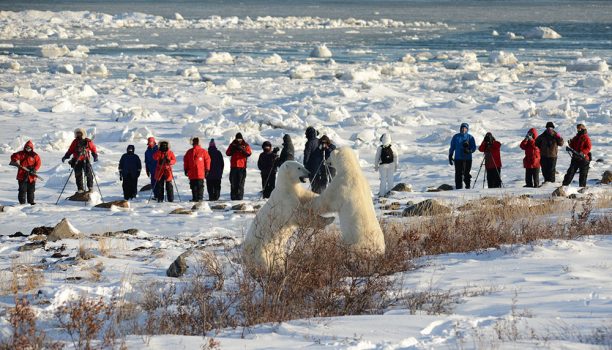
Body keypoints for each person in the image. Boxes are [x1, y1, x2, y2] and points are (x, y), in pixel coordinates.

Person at [62, 128, 98, 193]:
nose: (78, 134)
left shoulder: (87, 141)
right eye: (77, 133)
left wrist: (95, 155)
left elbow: (93, 148)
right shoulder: (75, 141)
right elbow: (70, 150)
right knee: (78, 175)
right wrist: (66, 156)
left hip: (86, 159)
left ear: (83, 133)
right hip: (77, 160)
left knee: (88, 174)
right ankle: (80, 189)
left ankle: (90, 188)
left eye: (80, 133)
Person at [10, 140, 41, 205]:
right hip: (22, 175)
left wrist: (34, 169)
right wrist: (16, 160)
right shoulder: (20, 153)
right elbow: (13, 156)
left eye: (29, 148)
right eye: (26, 148)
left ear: (31, 148)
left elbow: (38, 163)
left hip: (31, 175)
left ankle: (31, 203)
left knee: (31, 190)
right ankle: (22, 203)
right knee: (22, 190)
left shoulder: (35, 155)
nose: (28, 149)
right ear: (25, 147)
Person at [562, 123, 592, 187]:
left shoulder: (586, 137)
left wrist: (583, 152)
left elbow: (588, 147)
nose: (578, 130)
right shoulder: (576, 137)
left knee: (583, 176)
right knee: (570, 173)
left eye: (579, 128)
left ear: (582, 129)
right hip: (575, 158)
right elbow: (573, 146)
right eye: (577, 128)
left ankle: (582, 189)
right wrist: (570, 145)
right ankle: (564, 187)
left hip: (583, 159)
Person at [448, 122, 476, 189]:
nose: (463, 129)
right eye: (462, 128)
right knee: (458, 174)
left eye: (465, 128)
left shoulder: (470, 137)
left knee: (466, 173)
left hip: (468, 158)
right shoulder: (456, 137)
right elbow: (452, 147)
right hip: (458, 158)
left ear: (467, 129)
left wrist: (469, 151)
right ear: (460, 128)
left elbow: (474, 147)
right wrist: (450, 155)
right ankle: (458, 188)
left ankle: (468, 186)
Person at [184, 137, 211, 202]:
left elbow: (186, 161)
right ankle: (199, 198)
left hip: (193, 173)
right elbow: (207, 160)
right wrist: (207, 169)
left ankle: (195, 198)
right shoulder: (203, 151)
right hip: (200, 173)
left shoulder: (189, 152)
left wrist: (186, 169)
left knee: (194, 186)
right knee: (199, 186)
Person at [226, 133, 252, 200]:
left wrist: (242, 150)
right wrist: (233, 149)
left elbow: (249, 153)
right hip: (234, 167)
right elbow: (227, 153)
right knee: (233, 183)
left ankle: (240, 197)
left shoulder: (245, 145)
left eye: (240, 139)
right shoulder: (232, 145)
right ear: (236, 138)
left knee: (240, 183)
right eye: (238, 139)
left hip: (242, 167)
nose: (239, 140)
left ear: (242, 138)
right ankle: (233, 197)